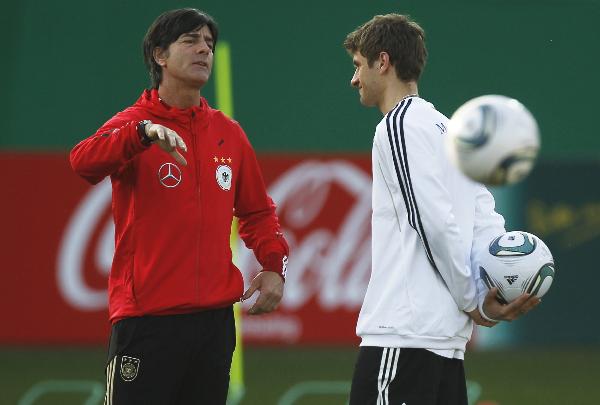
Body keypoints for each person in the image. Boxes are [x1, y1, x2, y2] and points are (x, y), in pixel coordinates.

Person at [70, 8, 289, 405]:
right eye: (190, 41)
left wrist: (274, 266)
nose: (204, 49)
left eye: (208, 42)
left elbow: (257, 211)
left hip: (214, 325)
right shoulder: (133, 123)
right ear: (160, 56)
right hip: (147, 321)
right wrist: (142, 135)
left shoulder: (228, 133)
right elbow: (82, 161)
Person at [343, 14, 539, 405]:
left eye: (357, 65)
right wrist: (487, 294)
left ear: (383, 62)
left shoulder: (397, 126)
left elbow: (428, 220)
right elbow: (487, 221)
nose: (354, 79)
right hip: (447, 346)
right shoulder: (449, 130)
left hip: (402, 337)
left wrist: (473, 299)